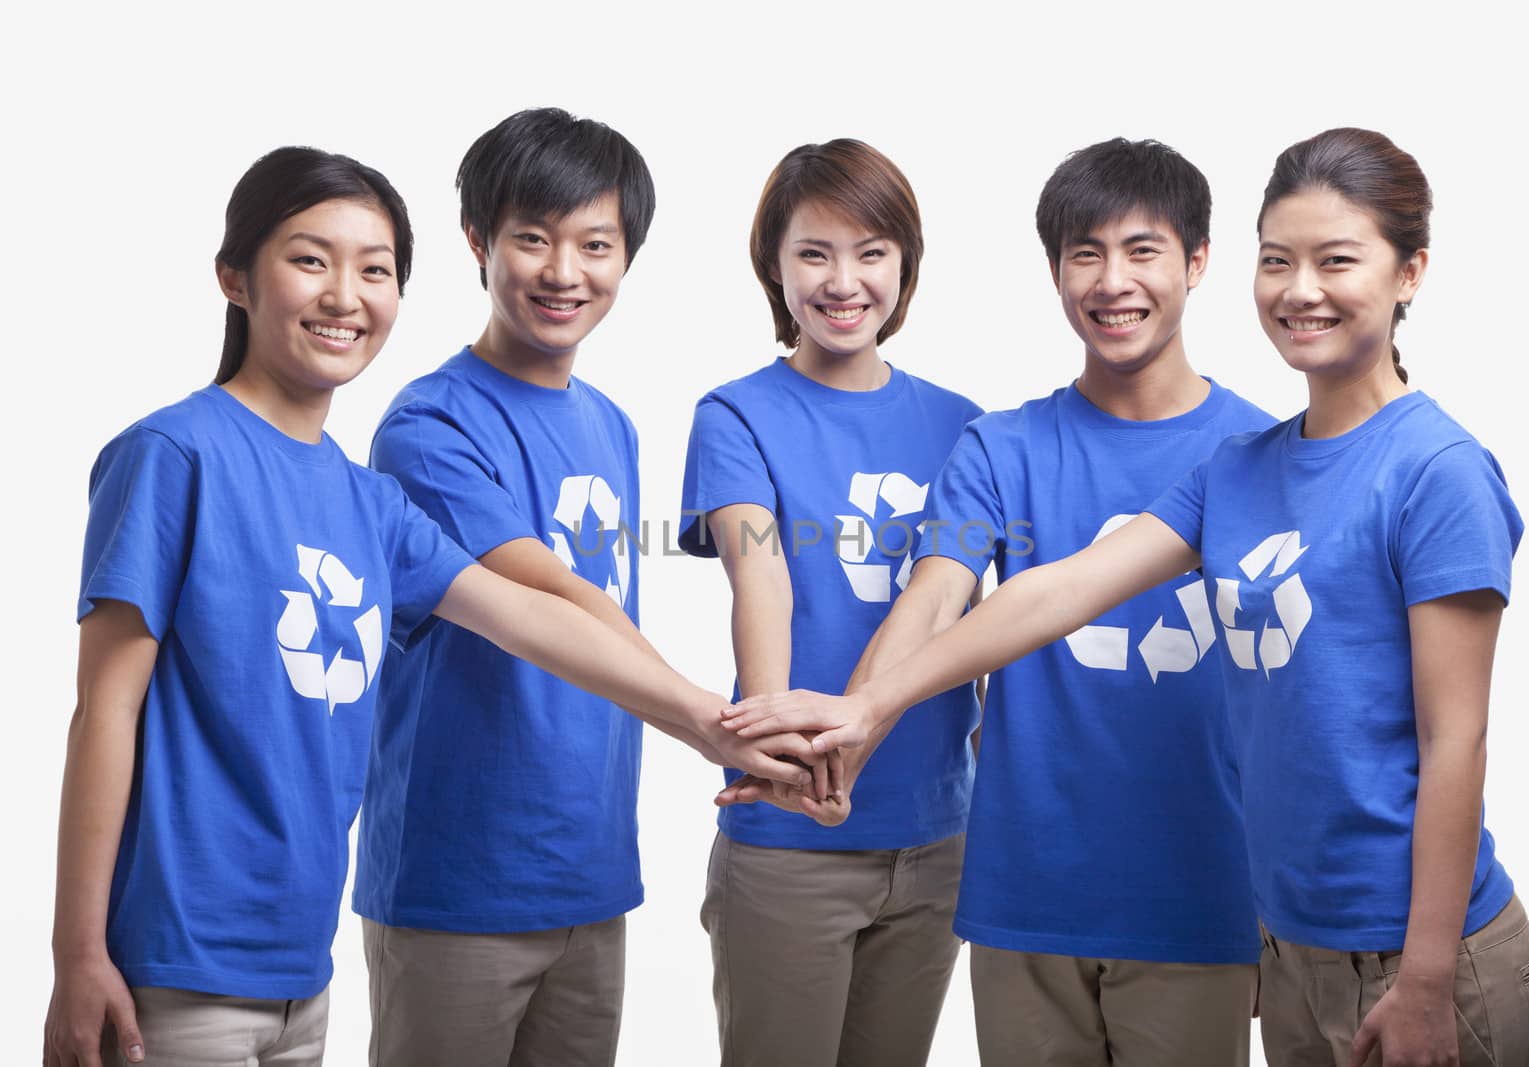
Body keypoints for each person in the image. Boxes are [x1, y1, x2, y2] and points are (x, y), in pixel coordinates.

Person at [724, 127, 1529, 1067]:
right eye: (1278, 261)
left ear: (1409, 274)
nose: (1301, 288)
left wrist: (1431, 978)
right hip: (1286, 939)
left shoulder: (1434, 469)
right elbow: (1055, 589)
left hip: (1384, 942)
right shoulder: (1237, 470)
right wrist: (867, 705)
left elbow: (1460, 739)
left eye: (1336, 260)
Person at [44, 145, 819, 1067]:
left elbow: (526, 617)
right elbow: (105, 709)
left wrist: (710, 724)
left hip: (301, 969)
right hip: (175, 964)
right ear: (234, 278)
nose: (344, 295)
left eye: (374, 270)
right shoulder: (175, 455)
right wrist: (76, 950)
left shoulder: (369, 502)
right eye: (309, 259)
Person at [752, 137, 1271, 1066]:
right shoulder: (1001, 449)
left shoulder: (1261, 455)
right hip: (1026, 897)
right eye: (1085, 254)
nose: (1113, 281)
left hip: (1201, 894)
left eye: (1143, 250)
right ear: (1055, 272)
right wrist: (849, 729)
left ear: (1197, 262)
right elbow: (933, 596)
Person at [353, 107, 730, 1067]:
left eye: (595, 244)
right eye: (533, 238)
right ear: (478, 241)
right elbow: (550, 600)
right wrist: (714, 724)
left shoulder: (611, 423)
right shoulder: (428, 427)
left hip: (590, 871)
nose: (565, 272)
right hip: (459, 879)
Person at [678, 138, 983, 1067]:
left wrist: (859, 739)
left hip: (935, 837)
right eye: (814, 252)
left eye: (871, 251)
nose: (843, 280)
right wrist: (780, 748)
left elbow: (951, 596)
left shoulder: (968, 426)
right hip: (788, 841)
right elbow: (758, 567)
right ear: (774, 264)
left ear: (906, 264)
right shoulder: (736, 413)